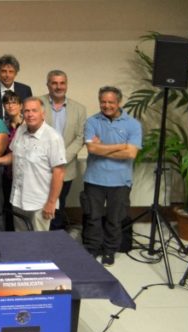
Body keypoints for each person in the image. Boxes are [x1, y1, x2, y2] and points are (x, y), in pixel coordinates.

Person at [0, 97, 66, 232]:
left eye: (34, 110)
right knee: (21, 241)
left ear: (43, 114)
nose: (30, 114)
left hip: (40, 203)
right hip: (18, 199)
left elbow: (59, 172)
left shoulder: (53, 138)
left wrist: (51, 203)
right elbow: (14, 155)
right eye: (26, 111)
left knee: (39, 245)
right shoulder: (21, 130)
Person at [82, 86, 141, 267]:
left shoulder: (133, 124)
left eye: (111, 102)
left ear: (118, 102)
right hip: (94, 179)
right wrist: (120, 146)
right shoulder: (92, 121)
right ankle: (93, 248)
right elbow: (91, 148)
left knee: (115, 219)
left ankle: (109, 251)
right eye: (103, 102)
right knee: (93, 217)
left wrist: (102, 148)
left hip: (121, 181)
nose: (106, 105)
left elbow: (131, 154)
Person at [41, 70, 87, 231]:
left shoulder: (79, 109)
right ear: (48, 85)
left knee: (58, 204)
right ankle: (37, 239)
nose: (58, 87)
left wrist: (61, 158)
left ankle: (56, 240)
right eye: (54, 83)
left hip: (65, 167)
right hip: (40, 165)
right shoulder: (37, 104)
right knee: (38, 204)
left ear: (67, 85)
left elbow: (80, 137)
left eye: (62, 83)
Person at [0, 55, 33, 119]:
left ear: (16, 73)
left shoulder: (25, 90)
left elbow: (29, 112)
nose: (7, 75)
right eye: (4, 71)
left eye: (11, 72)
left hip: (20, 128)